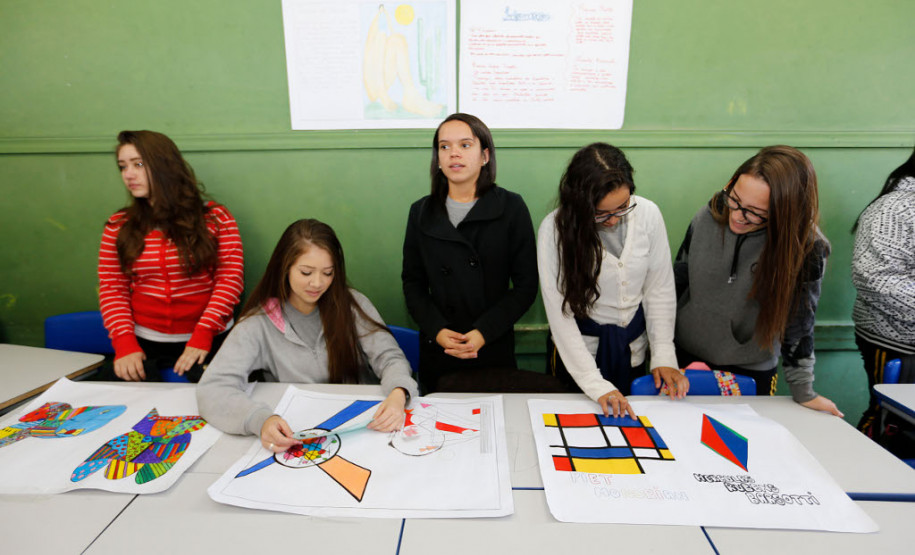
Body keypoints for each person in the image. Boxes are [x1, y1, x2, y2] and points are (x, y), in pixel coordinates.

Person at [197, 219, 418, 453]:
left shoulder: (353, 306)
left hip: (363, 432)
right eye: (306, 272)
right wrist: (260, 420)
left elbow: (390, 357)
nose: (317, 283)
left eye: (328, 273)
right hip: (298, 436)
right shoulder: (258, 323)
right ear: (285, 267)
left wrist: (398, 393)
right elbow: (213, 389)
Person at [674, 145, 842, 416]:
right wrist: (661, 352)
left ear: (784, 213)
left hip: (748, 370)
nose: (738, 216)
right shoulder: (711, 212)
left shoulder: (807, 248)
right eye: (735, 199)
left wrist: (804, 392)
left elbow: (799, 323)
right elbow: (679, 276)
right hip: (683, 355)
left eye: (756, 212)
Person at [538, 143, 688, 418]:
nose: (612, 221)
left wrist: (664, 354)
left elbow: (659, 289)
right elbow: (561, 315)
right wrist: (595, 384)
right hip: (579, 361)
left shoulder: (648, 214)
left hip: (632, 352)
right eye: (600, 213)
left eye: (622, 207)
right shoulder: (554, 230)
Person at [402, 113, 538, 392]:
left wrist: (483, 332)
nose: (454, 154)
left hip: (491, 347)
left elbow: (525, 286)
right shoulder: (421, 212)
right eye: (444, 146)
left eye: (465, 145)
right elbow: (413, 284)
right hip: (439, 349)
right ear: (437, 158)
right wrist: (438, 331)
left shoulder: (511, 207)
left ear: (485, 156)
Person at [98, 130, 243, 383]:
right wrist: (124, 344)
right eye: (123, 167)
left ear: (164, 166)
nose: (128, 175)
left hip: (209, 339)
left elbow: (229, 279)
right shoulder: (118, 225)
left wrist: (203, 334)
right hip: (146, 343)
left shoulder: (216, 218)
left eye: (138, 164)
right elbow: (112, 288)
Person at [851, 144, 915, 435]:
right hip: (896, 341)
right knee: (890, 423)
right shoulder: (894, 208)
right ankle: (866, 480)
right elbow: (875, 280)